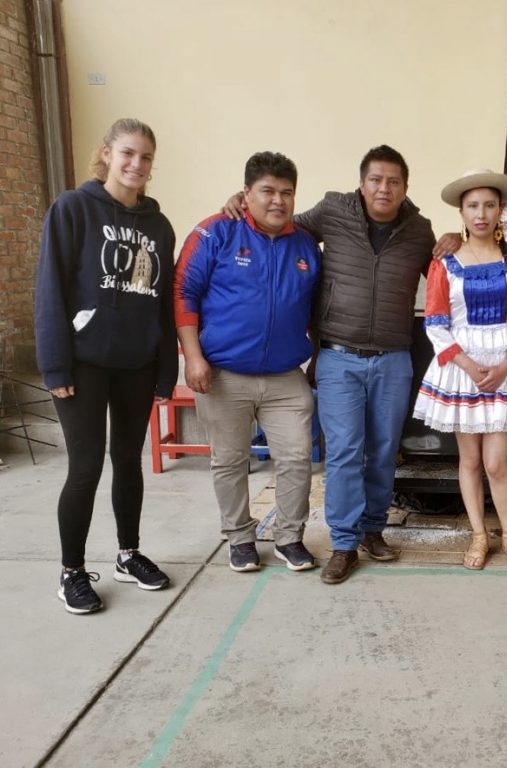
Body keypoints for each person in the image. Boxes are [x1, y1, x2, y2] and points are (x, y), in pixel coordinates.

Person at [225, 145, 436, 585]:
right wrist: (240, 204)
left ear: (405, 188)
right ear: (362, 183)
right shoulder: (331, 211)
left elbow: (444, 276)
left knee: (382, 452)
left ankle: (373, 530)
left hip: (394, 359)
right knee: (343, 453)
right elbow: (276, 224)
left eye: (393, 181)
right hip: (339, 357)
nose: (384, 188)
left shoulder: (419, 230)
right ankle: (343, 542)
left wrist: (460, 243)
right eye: (376, 179)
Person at [35, 118, 176, 614]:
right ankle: (71, 571)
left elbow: (162, 303)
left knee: (128, 462)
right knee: (86, 467)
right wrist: (55, 367)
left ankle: (128, 554)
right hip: (83, 365)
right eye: (128, 154)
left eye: (146, 158)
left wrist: (166, 371)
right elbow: (49, 288)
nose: (137, 165)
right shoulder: (73, 209)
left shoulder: (159, 227)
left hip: (137, 363)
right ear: (107, 154)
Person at [176, 152, 320, 573]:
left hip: (285, 377)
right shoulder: (215, 232)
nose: (278, 200)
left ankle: (290, 537)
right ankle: (239, 537)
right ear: (246, 193)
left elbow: (314, 306)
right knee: (229, 460)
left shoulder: (306, 244)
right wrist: (193, 357)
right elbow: (184, 293)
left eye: (287, 192)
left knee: (296, 458)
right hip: (223, 373)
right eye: (267, 191)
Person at [413, 169, 507, 571]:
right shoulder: (445, 262)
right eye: (473, 206)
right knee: (468, 461)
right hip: (461, 368)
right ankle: (478, 535)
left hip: (506, 364)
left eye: (489, 205)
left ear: (500, 209)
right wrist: (469, 365)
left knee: (495, 462)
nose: (481, 213)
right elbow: (435, 321)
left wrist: (505, 365)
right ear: (462, 212)